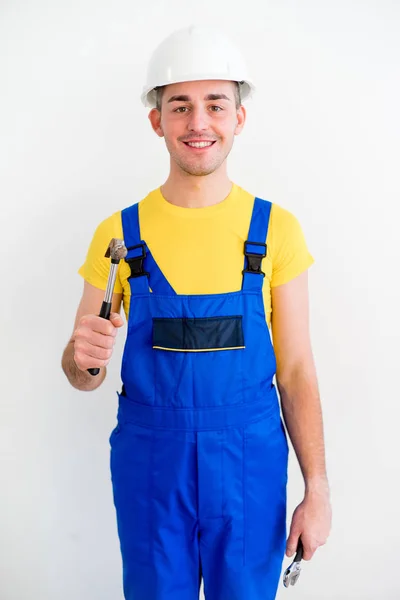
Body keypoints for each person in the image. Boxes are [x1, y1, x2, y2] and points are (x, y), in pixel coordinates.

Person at [62, 24, 331, 600]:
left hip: (249, 464)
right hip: (151, 463)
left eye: (215, 105)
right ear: (157, 120)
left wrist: (318, 490)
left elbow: (297, 370)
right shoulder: (118, 236)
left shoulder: (275, 231)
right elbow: (84, 372)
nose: (199, 123)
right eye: (180, 106)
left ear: (239, 117)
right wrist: (80, 358)